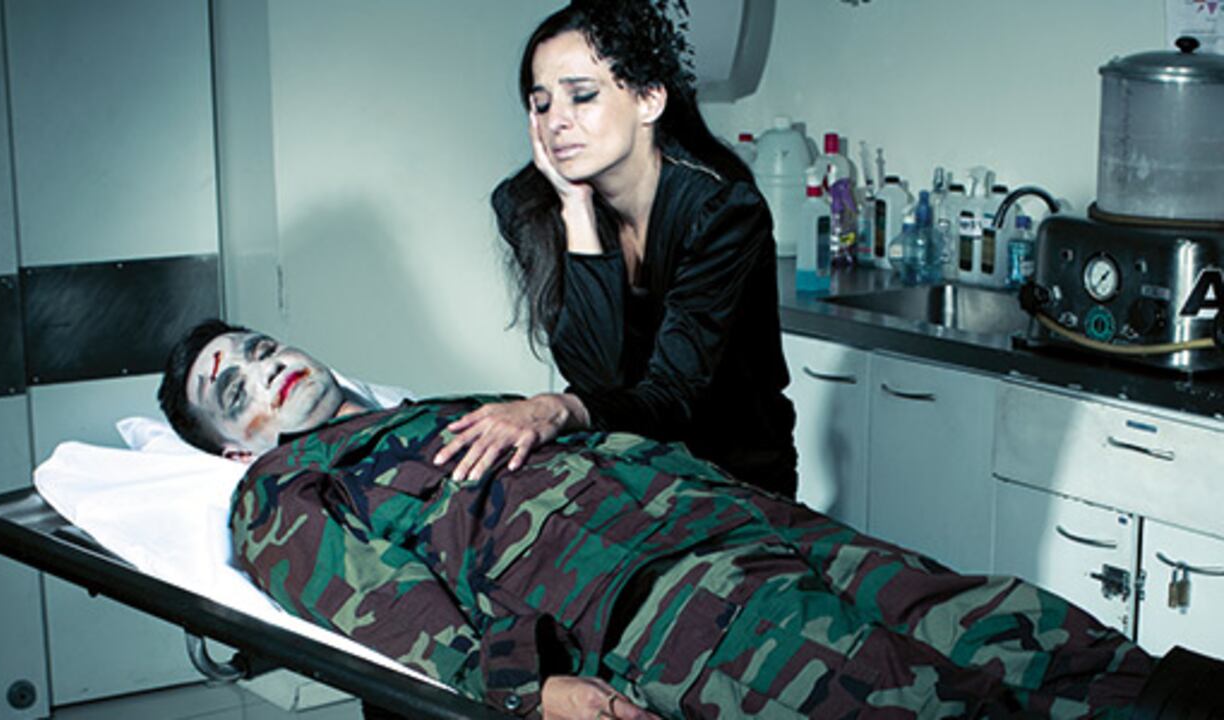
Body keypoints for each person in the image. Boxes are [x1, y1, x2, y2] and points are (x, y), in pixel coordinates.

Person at [155, 320, 1197, 720]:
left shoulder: (431, 410)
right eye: (231, 386)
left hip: (749, 522)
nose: (262, 369)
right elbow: (385, 608)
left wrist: (555, 407)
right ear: (235, 446)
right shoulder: (281, 495)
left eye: (258, 346)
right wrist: (526, 692)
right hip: (668, 603)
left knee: (1013, 627)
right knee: (909, 699)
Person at [432, 0, 797, 498]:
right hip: (626, 467)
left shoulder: (722, 210)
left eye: (581, 96)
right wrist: (576, 209)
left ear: (649, 99)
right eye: (541, 104)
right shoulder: (528, 207)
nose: (556, 121)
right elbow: (599, 375)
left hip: (732, 474)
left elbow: (673, 396)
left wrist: (560, 407)